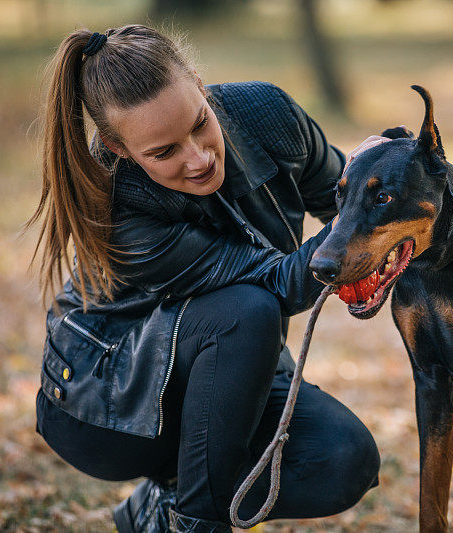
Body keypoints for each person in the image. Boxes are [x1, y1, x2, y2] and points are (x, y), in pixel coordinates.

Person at [27, 24, 384, 532]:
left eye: (200, 124)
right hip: (103, 407)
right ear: (119, 146)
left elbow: (343, 203)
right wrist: (361, 222)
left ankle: (161, 509)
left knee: (343, 459)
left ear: (199, 83)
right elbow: (279, 283)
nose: (198, 158)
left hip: (223, 377)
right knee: (248, 309)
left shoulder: (268, 114)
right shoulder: (114, 204)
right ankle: (194, 524)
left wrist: (383, 173)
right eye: (164, 152)